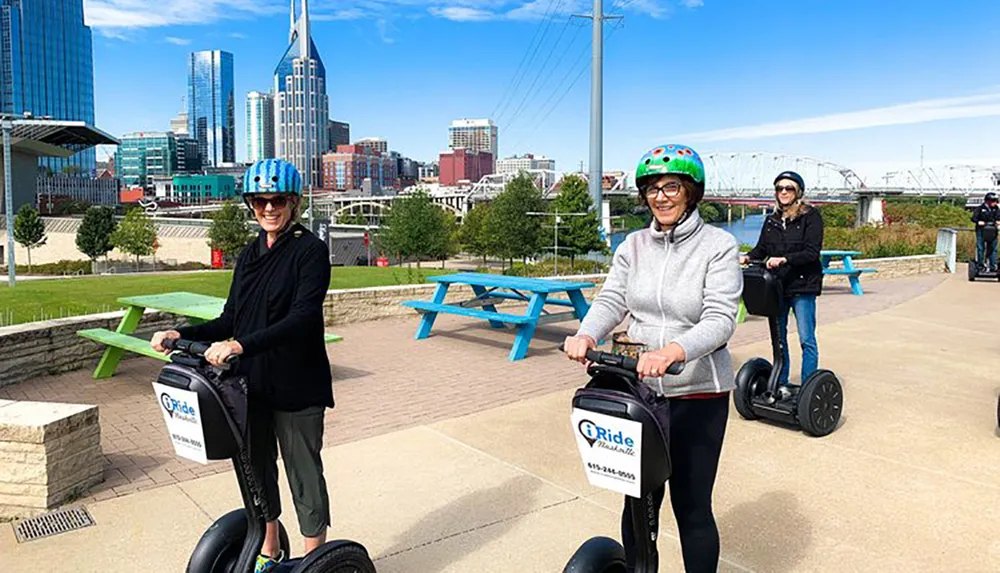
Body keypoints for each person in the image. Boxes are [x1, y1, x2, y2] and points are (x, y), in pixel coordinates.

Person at [563, 144, 742, 573]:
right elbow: (613, 298)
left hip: (696, 393)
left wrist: (674, 351)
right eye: (652, 189)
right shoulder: (633, 245)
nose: (660, 197)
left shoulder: (718, 245)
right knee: (638, 503)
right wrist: (586, 333)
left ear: (691, 192)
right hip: (640, 392)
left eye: (671, 187)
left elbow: (721, 317)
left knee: (692, 506)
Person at [151, 159, 334, 573]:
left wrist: (238, 344)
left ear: (294, 202)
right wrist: (181, 333)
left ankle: (314, 560)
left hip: (296, 383)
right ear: (251, 204)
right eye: (259, 201)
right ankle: (269, 554)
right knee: (257, 470)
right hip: (250, 385)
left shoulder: (310, 250)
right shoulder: (250, 254)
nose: (268, 208)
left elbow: (302, 318)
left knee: (303, 474)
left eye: (277, 200)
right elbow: (231, 316)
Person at [740, 170, 824, 393]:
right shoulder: (772, 220)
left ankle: (808, 388)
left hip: (803, 286)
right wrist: (748, 256)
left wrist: (785, 259)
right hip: (777, 287)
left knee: (806, 339)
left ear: (798, 192)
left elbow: (812, 252)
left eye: (789, 188)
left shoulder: (810, 217)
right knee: (779, 339)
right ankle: (782, 382)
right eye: (780, 188)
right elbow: (761, 249)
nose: (784, 192)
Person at [970, 191, 1000, 272]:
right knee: (980, 248)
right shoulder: (980, 208)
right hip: (981, 231)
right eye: (994, 201)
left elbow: (998, 217)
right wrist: (978, 221)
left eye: (996, 201)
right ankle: (980, 266)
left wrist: (998, 221)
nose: (995, 202)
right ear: (988, 201)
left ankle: (993, 267)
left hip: (993, 231)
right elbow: (973, 218)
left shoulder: (996, 209)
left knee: (993, 249)